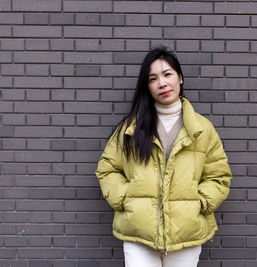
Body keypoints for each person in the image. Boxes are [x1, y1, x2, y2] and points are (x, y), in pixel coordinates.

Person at [95, 46, 232, 267]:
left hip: (185, 235)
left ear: (180, 78)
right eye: (153, 78)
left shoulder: (202, 129)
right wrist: (125, 198)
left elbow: (219, 176)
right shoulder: (130, 128)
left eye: (167, 74)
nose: (162, 83)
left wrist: (200, 203)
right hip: (139, 235)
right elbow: (107, 168)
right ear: (147, 86)